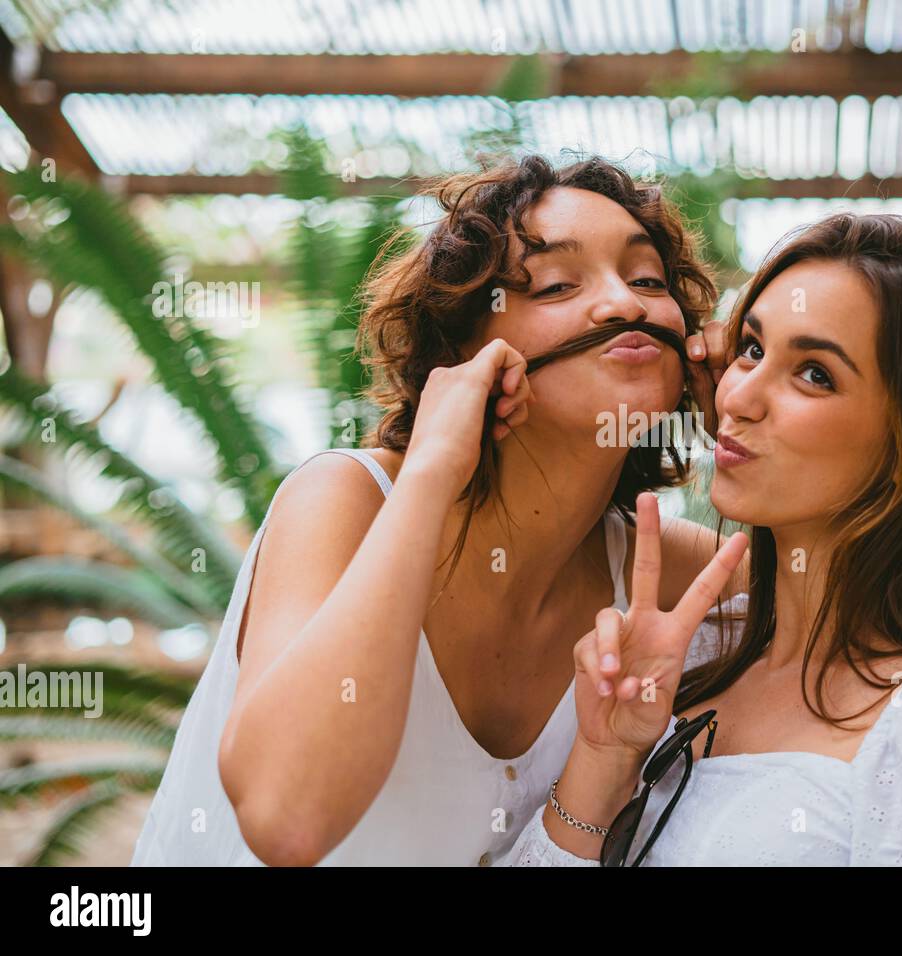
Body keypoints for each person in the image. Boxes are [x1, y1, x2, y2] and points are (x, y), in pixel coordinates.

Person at [131, 154, 743, 866]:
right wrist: (430, 468)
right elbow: (286, 817)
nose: (623, 304)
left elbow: (871, 589)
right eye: (554, 284)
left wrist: (758, 404)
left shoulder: (666, 571)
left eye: (647, 280)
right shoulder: (347, 499)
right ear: (463, 348)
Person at [506, 213, 902, 866]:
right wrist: (605, 755)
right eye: (751, 349)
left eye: (814, 373)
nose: (738, 397)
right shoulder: (689, 655)